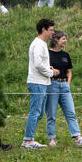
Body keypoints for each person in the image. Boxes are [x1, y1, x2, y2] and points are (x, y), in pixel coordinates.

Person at [45, 31, 82, 147]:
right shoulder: (46, 54)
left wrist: (68, 84)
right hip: (52, 85)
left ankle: (78, 137)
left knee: (71, 112)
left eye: (66, 39)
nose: (65, 41)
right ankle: (52, 139)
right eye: (63, 39)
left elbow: (69, 71)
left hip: (64, 85)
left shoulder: (65, 55)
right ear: (56, 40)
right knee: (51, 114)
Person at [23, 19, 57, 149]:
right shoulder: (38, 44)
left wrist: (49, 69)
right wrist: (51, 72)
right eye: (51, 30)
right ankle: (28, 140)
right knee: (35, 111)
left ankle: (28, 137)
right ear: (43, 29)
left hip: (42, 82)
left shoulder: (42, 44)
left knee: (40, 113)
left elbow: (40, 63)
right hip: (37, 82)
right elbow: (37, 64)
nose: (53, 33)